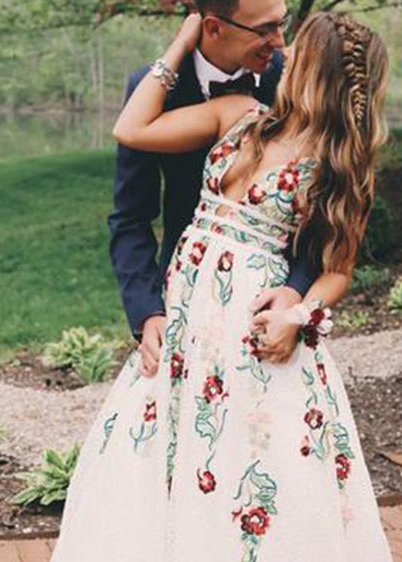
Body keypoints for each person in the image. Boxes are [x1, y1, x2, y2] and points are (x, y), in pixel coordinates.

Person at [7, 7, 402, 562]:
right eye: (270, 33)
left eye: (291, 45)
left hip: (249, 351)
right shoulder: (237, 114)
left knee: (244, 509)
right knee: (152, 495)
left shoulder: (335, 165)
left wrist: (299, 308)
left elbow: (336, 267)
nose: (277, 50)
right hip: (182, 338)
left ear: (315, 72)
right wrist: (180, 41)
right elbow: (133, 131)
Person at [108, 0, 322, 380]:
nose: (279, 41)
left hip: (271, 307)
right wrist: (148, 313)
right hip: (184, 297)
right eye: (265, 29)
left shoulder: (296, 79)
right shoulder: (153, 90)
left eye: (281, 23)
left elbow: (327, 210)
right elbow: (130, 217)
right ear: (212, 27)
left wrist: (294, 295)